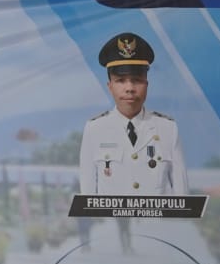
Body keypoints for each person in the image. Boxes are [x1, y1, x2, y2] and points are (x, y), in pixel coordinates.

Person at [78, 32, 186, 201]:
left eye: (136, 80)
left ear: (146, 84)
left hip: (158, 219)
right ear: (110, 86)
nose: (129, 88)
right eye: (121, 80)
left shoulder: (168, 129)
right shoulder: (95, 129)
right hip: (113, 220)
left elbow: (183, 200)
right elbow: (88, 199)